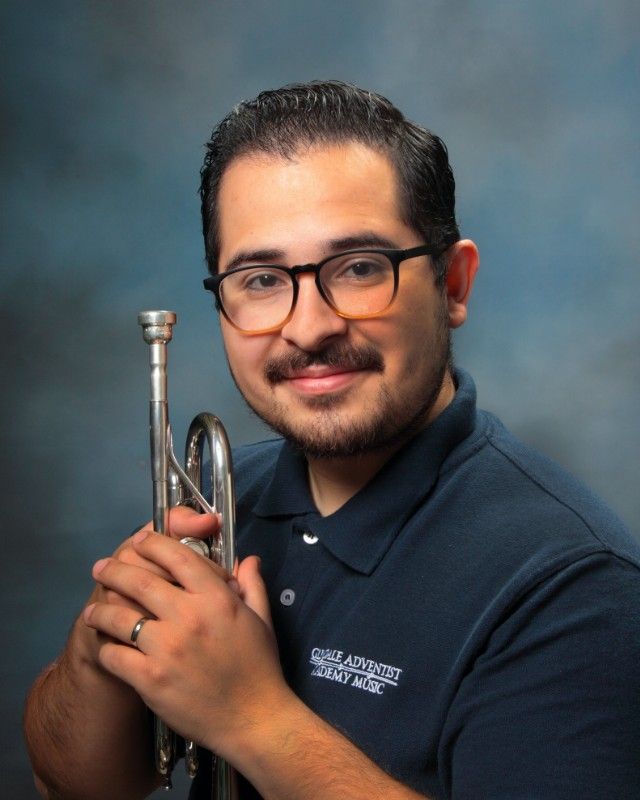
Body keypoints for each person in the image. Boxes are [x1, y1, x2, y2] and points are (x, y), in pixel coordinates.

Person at [24, 81, 640, 800]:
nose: (309, 327)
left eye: (357, 269)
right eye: (260, 279)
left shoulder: (576, 587)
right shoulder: (222, 503)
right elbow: (66, 782)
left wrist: (254, 717)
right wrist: (101, 649)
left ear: (453, 286)